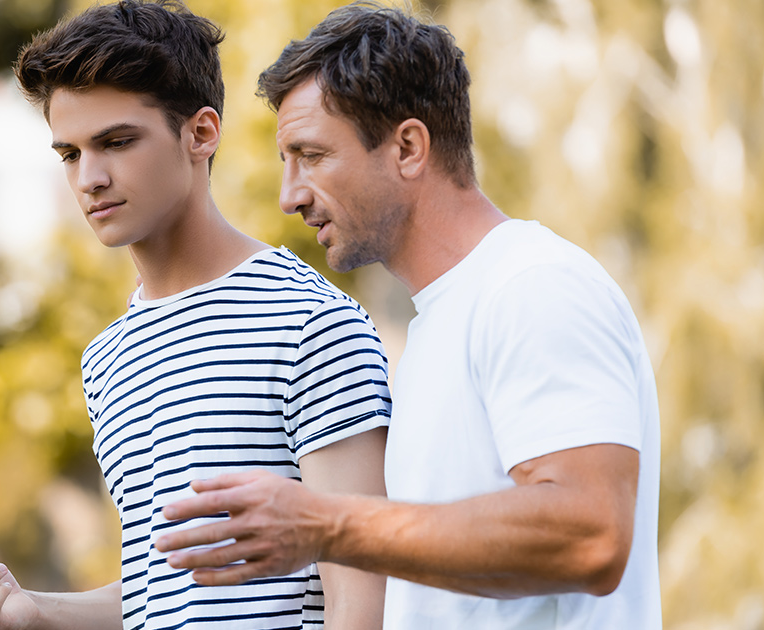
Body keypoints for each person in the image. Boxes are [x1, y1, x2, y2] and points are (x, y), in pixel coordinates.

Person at [155, 3, 662, 629]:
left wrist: (326, 523)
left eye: (311, 155)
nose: (290, 195)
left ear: (408, 147)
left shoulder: (533, 285)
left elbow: (591, 535)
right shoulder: (434, 328)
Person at [0, 2, 392, 629]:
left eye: (116, 142)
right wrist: (34, 611)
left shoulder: (306, 321)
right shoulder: (107, 357)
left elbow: (364, 589)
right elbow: (161, 595)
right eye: (69, 153)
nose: (90, 177)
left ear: (201, 133)